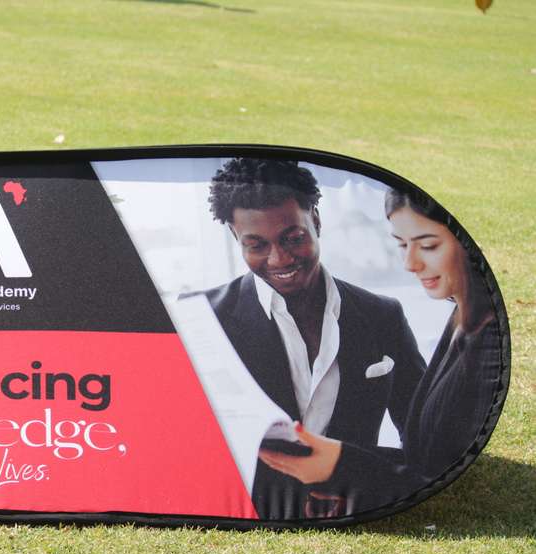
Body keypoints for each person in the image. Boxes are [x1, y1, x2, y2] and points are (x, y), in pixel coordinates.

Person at [189, 158, 426, 520]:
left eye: (293, 238)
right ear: (236, 238)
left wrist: (368, 482)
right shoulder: (202, 318)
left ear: (316, 220)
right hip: (245, 515)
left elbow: (422, 436)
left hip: (358, 514)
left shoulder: (382, 315)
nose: (279, 259)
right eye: (256, 245)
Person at [258, 188, 502, 514]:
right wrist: (337, 470)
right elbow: (424, 454)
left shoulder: (487, 342)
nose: (409, 263)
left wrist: (340, 467)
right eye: (401, 244)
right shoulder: (462, 318)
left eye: (428, 245)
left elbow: (440, 479)